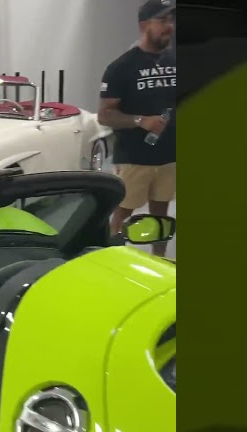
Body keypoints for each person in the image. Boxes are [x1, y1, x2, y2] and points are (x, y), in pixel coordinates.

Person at [99, 0, 177, 257]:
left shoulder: (176, 60)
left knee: (161, 215)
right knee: (122, 213)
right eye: (162, 21)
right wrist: (140, 121)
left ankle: (160, 261)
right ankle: (111, 258)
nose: (169, 26)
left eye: (171, 20)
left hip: (169, 156)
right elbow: (105, 115)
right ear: (144, 25)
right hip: (134, 158)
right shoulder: (121, 67)